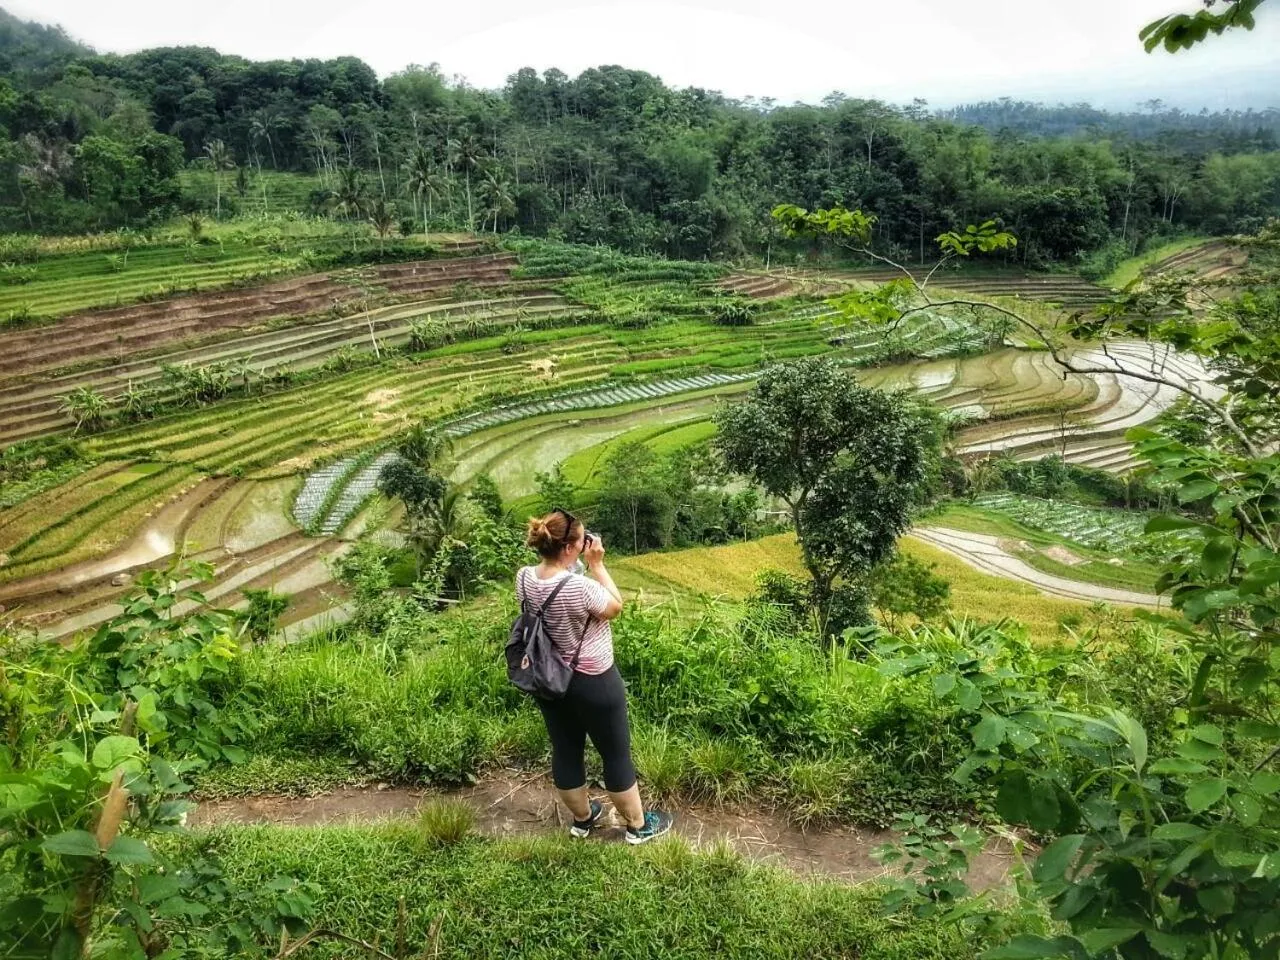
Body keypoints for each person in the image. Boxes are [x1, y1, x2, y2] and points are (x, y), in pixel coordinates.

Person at [517, 508, 674, 844]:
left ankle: (583, 819)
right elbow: (615, 606)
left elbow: (552, 583)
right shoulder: (581, 587)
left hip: (548, 679)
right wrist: (598, 565)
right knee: (615, 753)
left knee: (565, 749)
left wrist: (576, 561)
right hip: (594, 681)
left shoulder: (525, 577)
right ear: (572, 548)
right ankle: (637, 826)